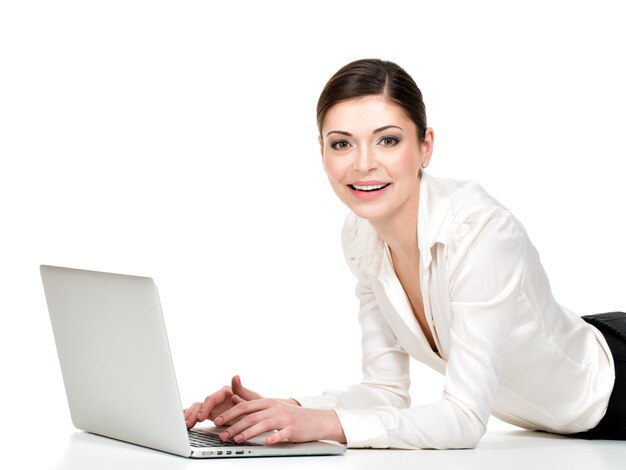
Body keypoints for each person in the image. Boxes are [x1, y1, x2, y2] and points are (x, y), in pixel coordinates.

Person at [184, 59, 626, 449]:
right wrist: (283, 410)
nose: (363, 163)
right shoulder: (359, 236)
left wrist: (327, 424)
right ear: (321, 153)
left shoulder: (481, 232)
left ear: (425, 147)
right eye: (341, 143)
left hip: (614, 387)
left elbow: (465, 420)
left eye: (387, 140)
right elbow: (384, 390)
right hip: (576, 364)